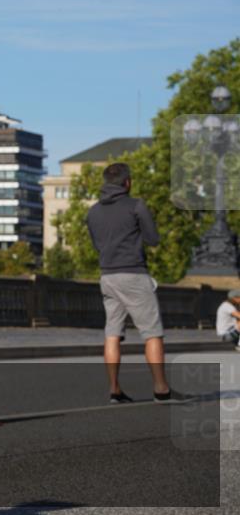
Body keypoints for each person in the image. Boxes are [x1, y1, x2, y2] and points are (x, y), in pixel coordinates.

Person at [87, 162, 179, 404]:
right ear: (127, 182)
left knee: (112, 333)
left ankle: (114, 390)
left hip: (107, 275)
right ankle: (161, 388)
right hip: (134, 274)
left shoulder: (93, 211)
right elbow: (153, 239)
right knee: (152, 333)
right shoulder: (136, 205)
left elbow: (97, 244)